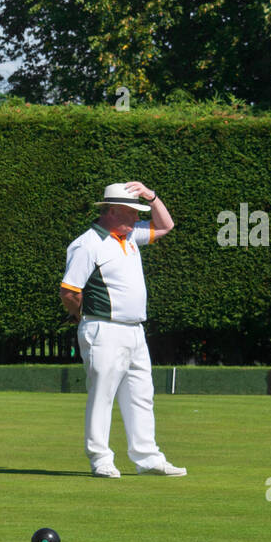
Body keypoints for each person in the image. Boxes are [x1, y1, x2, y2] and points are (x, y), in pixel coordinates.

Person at [59, 181, 185, 478]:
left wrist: (151, 196)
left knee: (141, 394)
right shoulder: (87, 244)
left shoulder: (129, 237)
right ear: (113, 211)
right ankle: (100, 458)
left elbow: (166, 226)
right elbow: (69, 291)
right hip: (103, 328)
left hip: (134, 331)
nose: (137, 219)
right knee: (102, 394)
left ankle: (147, 457)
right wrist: (79, 316)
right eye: (132, 213)